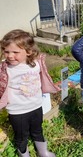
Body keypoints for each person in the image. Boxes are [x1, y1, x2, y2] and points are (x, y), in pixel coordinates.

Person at [0, 29, 60, 157]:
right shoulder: (5, 69)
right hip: (17, 111)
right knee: (21, 136)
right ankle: (24, 154)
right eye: (6, 51)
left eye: (15, 52)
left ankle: (43, 151)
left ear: (29, 51)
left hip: (36, 106)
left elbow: (44, 78)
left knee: (38, 130)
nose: (10, 56)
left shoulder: (35, 63)